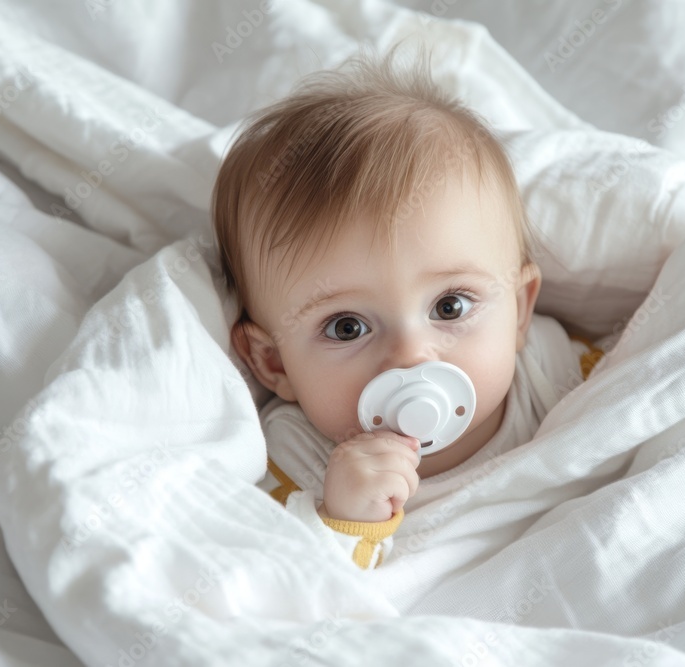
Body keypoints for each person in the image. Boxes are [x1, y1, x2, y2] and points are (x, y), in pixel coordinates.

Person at [213, 50, 601, 569]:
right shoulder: (294, 456)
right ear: (274, 362)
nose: (410, 354)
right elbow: (289, 582)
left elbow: (634, 424)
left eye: (449, 305)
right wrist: (343, 521)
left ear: (519, 310)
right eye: (346, 326)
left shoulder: (558, 372)